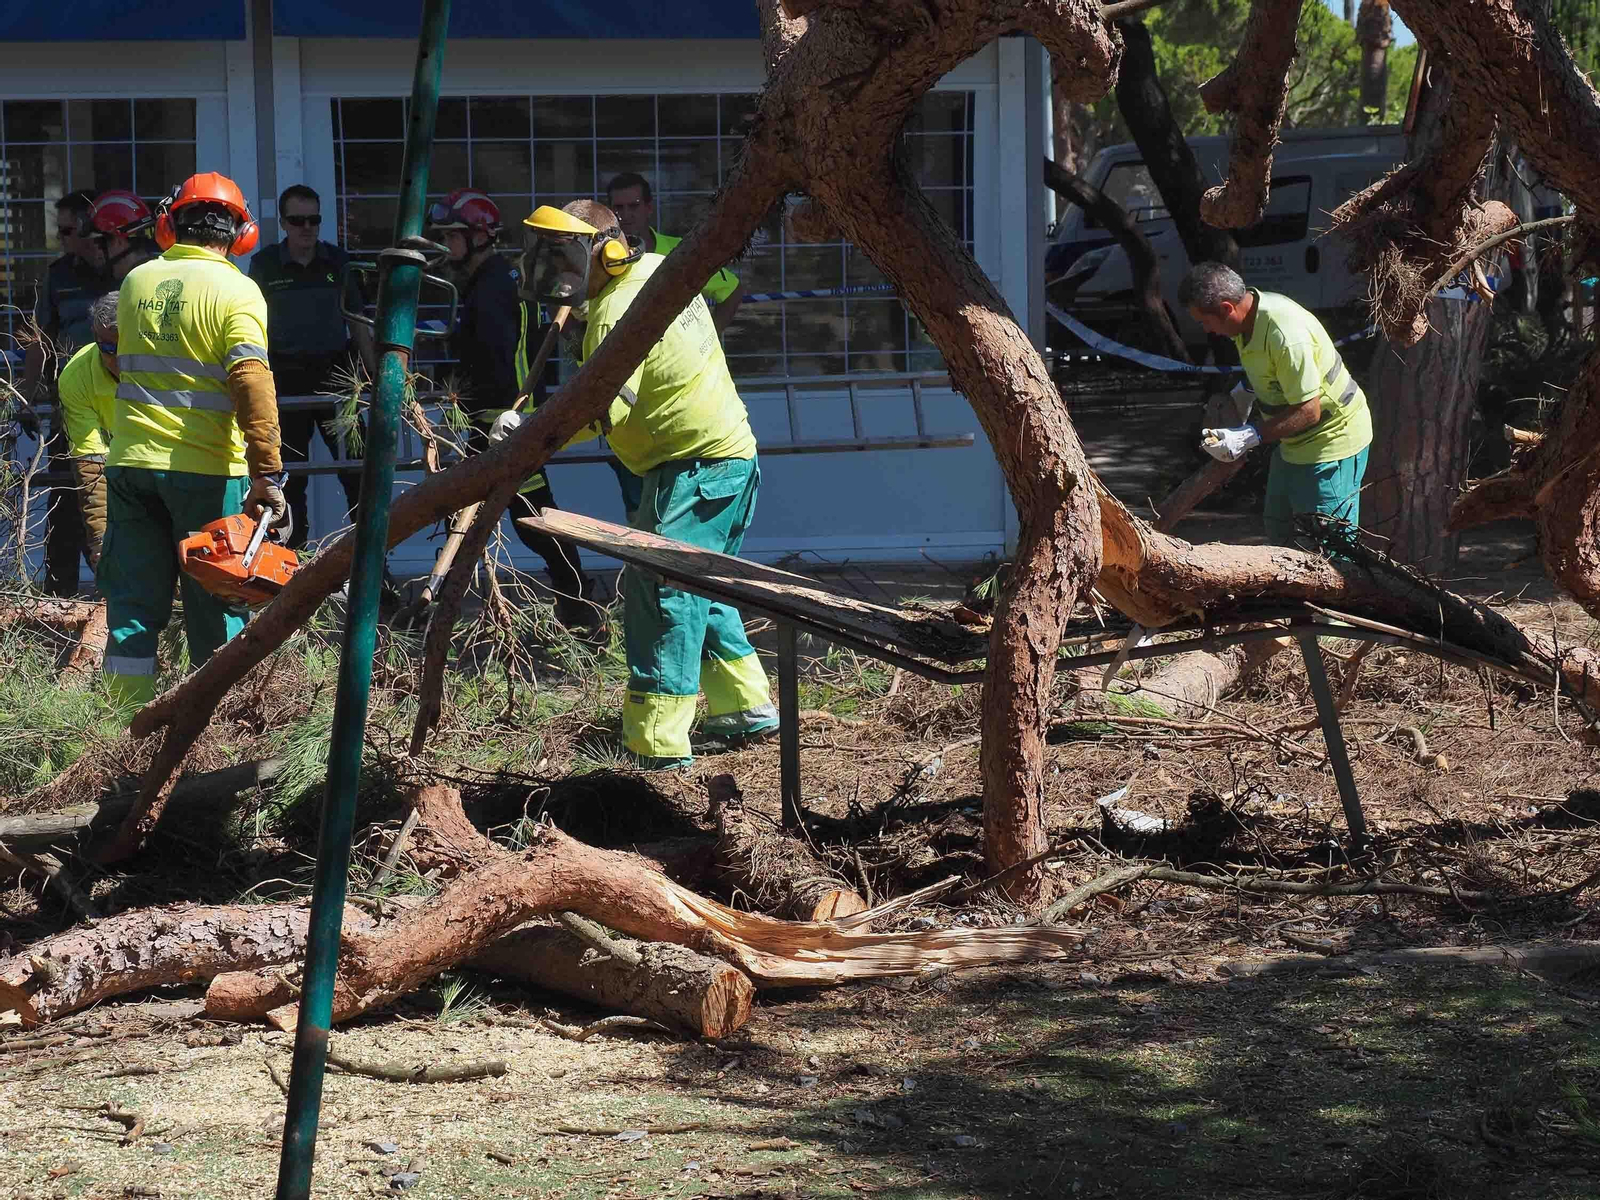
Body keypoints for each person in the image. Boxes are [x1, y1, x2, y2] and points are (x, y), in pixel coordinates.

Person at [518, 200, 778, 769]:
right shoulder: (656, 269)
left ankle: (656, 742)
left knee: (663, 594)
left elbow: (599, 413)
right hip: (715, 461)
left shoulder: (617, 313)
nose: (557, 272)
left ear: (607, 252)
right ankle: (745, 704)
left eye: (567, 257)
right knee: (696, 584)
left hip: (696, 467)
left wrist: (529, 435)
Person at [100, 172, 288, 711]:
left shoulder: (136, 282)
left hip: (132, 465)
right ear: (241, 232)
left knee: (133, 609)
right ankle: (217, 728)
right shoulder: (238, 289)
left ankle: (121, 729)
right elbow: (252, 380)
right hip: (206, 471)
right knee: (219, 600)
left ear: (169, 223)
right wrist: (266, 471)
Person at [427, 187, 598, 630]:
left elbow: (500, 361)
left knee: (530, 520)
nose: (447, 247)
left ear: (479, 237)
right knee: (507, 518)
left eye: (453, 237)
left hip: (504, 422)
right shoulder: (491, 283)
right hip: (501, 420)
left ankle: (580, 604)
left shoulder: (492, 293)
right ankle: (576, 602)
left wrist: (463, 393)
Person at [1180, 262, 1372, 549]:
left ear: (1226, 309)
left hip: (1331, 442)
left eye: (1204, 321)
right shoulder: (1247, 319)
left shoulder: (1284, 334)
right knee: (1279, 527)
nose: (1206, 330)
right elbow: (1268, 370)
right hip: (1294, 442)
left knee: (1330, 548)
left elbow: (1309, 411)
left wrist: (1247, 436)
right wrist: (1242, 395)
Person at [248, 184, 375, 550]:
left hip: (336, 379)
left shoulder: (339, 262)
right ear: (284, 223)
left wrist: (379, 380)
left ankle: (371, 564)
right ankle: (291, 563)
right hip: (285, 381)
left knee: (358, 473)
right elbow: (251, 327)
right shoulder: (265, 265)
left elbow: (359, 324)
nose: (307, 227)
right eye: (297, 220)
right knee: (290, 479)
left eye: (314, 219)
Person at [22, 190, 111, 595]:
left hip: (125, 408)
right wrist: (27, 395)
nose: (60, 238)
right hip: (72, 406)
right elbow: (39, 339)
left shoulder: (127, 272)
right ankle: (59, 599)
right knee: (66, 503)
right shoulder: (59, 276)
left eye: (66, 230)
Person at [604, 173, 743, 333]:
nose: (626, 215)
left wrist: (708, 340)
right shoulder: (601, 257)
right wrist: (580, 349)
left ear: (649, 208)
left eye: (634, 206)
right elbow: (572, 309)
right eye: (618, 208)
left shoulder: (681, 250)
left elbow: (732, 291)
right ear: (610, 212)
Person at [54, 292, 121, 571]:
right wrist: (101, 541)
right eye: (107, 349)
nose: (117, 359)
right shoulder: (76, 376)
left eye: (126, 348)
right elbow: (90, 465)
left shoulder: (170, 362)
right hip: (121, 461)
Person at [83, 189, 160, 282]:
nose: (96, 254)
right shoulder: (161, 274)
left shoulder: (135, 286)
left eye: (99, 242)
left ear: (118, 241)